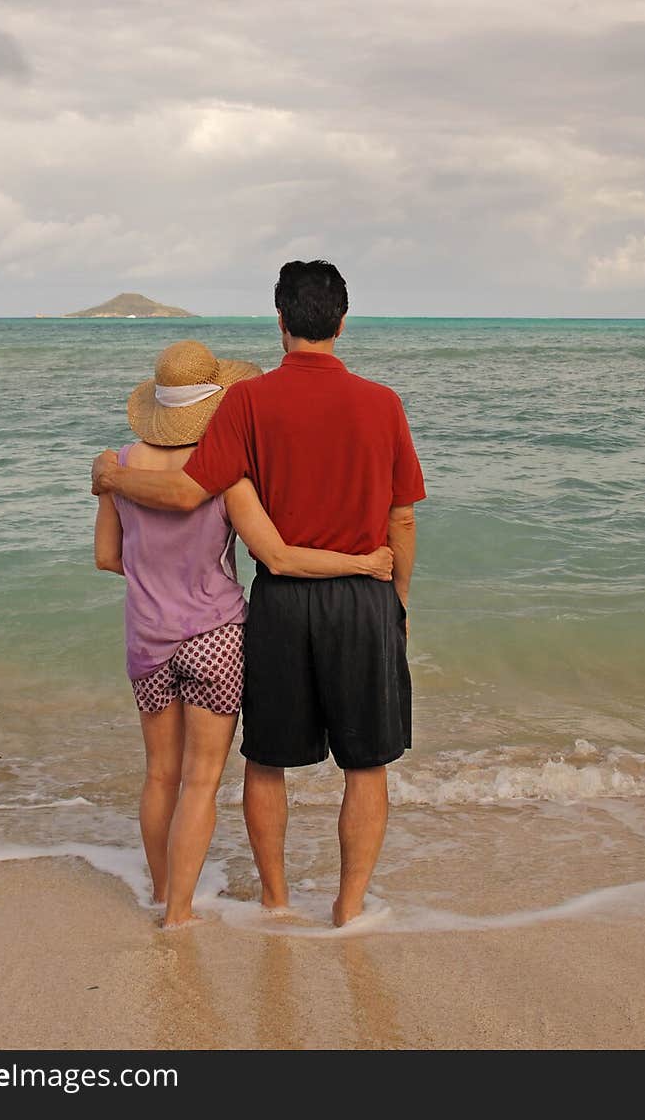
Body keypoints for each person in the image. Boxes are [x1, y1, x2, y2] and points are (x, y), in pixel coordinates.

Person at [93, 261, 425, 926]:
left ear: (279, 322)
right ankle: (348, 907)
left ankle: (275, 899)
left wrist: (112, 478)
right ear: (342, 320)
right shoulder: (383, 402)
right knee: (365, 765)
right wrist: (399, 600)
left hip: (279, 601)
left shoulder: (247, 402)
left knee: (267, 759)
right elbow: (403, 517)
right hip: (362, 596)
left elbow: (189, 492)